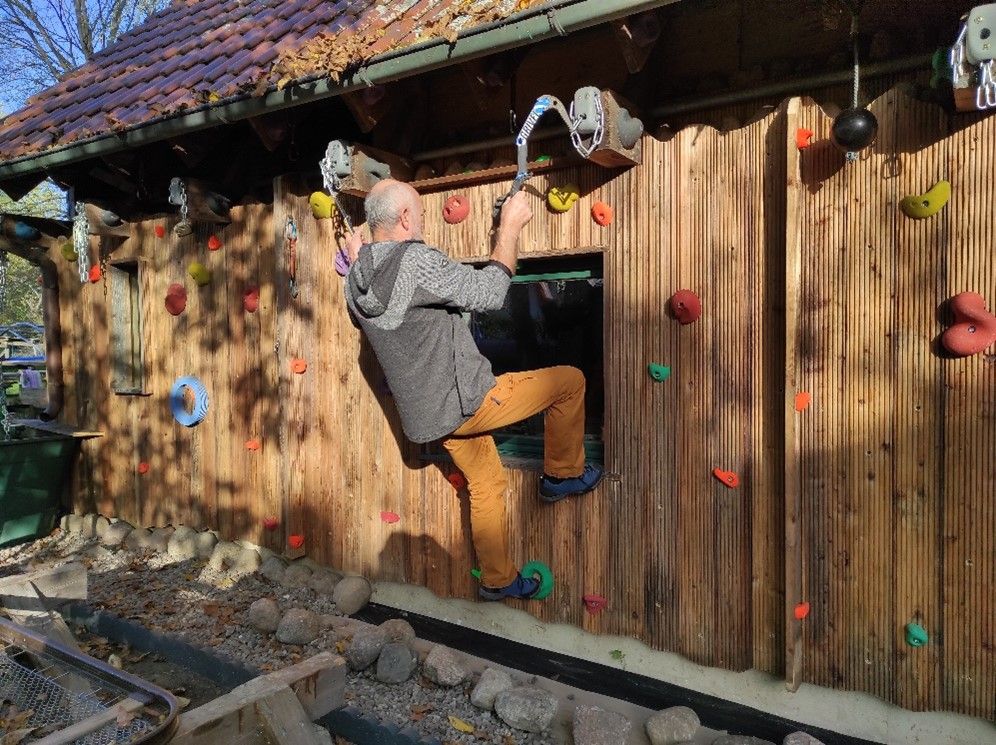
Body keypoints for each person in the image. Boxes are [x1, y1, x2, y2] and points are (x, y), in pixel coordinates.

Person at [343, 179, 603, 601]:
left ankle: (497, 580)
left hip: (431, 418)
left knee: (486, 483)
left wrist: (361, 262)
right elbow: (491, 293)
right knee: (571, 383)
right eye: (422, 216)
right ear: (405, 218)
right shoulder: (415, 261)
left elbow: (365, 320)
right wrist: (510, 229)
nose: (424, 225)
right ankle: (562, 475)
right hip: (468, 403)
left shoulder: (355, 279)